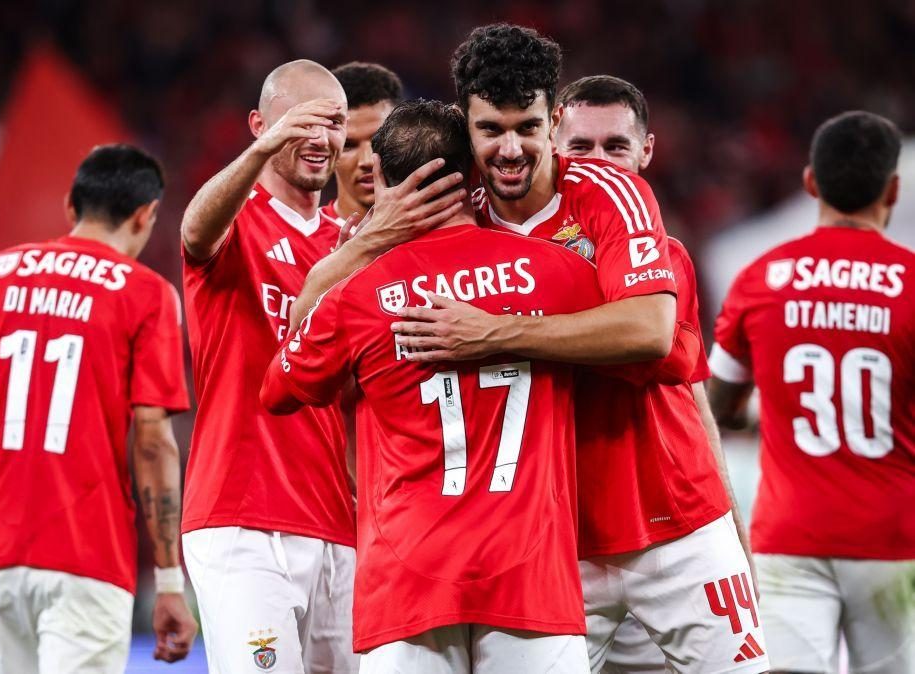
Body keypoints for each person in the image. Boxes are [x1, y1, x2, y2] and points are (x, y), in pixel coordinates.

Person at [390, 24, 767, 672]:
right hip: (546, 541)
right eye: (490, 130)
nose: (510, 149)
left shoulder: (612, 195)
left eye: (527, 127)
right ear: (465, 123)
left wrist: (494, 333)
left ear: (552, 118)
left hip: (674, 522)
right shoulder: (450, 213)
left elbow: (651, 335)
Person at [262, 98, 605, 674]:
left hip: (407, 578)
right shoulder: (559, 271)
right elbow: (642, 339)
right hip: (530, 576)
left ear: (390, 186)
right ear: (472, 173)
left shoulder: (359, 295)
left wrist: (362, 244)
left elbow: (278, 389)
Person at [0, 144, 197, 673]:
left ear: (71, 206)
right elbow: (154, 440)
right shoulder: (147, 294)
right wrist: (167, 581)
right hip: (87, 560)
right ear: (146, 216)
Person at [556, 74, 755, 673]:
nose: (599, 164)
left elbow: (683, 383)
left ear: (646, 151)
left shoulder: (668, 256)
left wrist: (734, 535)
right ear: (552, 150)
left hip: (678, 532)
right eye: (580, 148)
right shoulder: (514, 259)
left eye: (615, 147)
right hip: (567, 547)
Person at [709, 111, 915, 673]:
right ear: (892, 190)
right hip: (894, 541)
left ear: (810, 183)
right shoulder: (912, 282)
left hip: (790, 533)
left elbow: (716, 408)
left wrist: (768, 409)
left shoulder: (760, 278)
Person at [178, 59, 359, 674]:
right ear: (259, 124)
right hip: (243, 518)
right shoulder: (237, 217)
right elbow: (194, 234)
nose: (319, 137)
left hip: (339, 520)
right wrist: (263, 153)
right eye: (299, 121)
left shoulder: (348, 243)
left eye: (333, 123)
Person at [322, 62, 403, 226]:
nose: (367, 161)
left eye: (380, 140)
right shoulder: (297, 242)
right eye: (348, 145)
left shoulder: (441, 231)